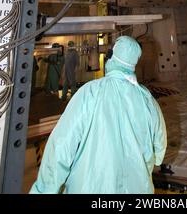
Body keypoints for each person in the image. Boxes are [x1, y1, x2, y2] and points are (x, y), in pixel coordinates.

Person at [30, 35, 167, 194]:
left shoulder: (89, 92)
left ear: (111, 57)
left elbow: (62, 145)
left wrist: (44, 190)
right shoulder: (147, 99)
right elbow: (160, 146)